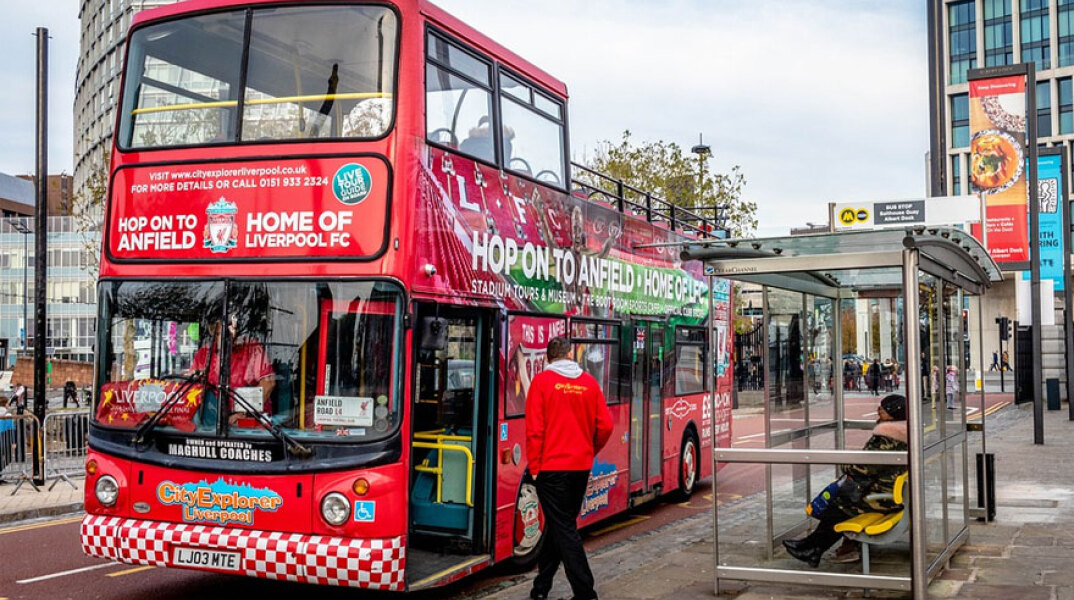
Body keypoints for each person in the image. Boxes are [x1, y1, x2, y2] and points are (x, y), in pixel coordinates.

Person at [526, 336, 613, 600]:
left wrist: (535, 467)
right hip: (580, 467)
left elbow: (534, 430)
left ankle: (586, 592)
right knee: (560, 525)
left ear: (548, 357)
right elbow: (606, 426)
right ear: (570, 354)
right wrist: (590, 450)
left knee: (564, 528)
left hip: (551, 468)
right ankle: (541, 588)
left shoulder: (541, 382)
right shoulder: (589, 383)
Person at [782, 394, 908, 567]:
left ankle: (813, 548)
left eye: (883, 408)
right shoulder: (901, 433)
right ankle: (812, 547)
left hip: (883, 497)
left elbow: (863, 467)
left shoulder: (888, 437)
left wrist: (845, 464)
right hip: (888, 492)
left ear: (894, 413)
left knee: (839, 506)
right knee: (840, 503)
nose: (879, 410)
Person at [190, 317, 275, 425]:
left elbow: (268, 383)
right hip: (211, 421)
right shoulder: (204, 353)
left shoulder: (253, 349)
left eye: (227, 333)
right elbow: (191, 385)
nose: (222, 338)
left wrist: (243, 412)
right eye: (217, 333)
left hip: (249, 422)